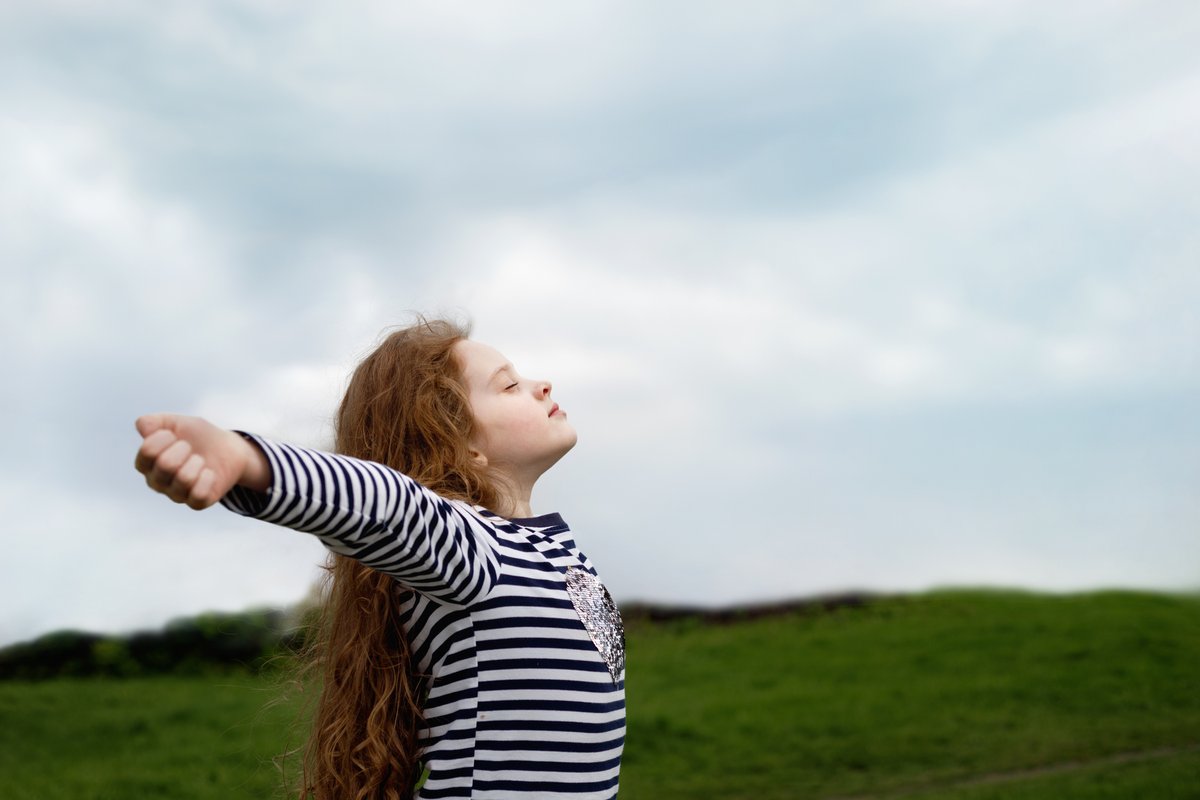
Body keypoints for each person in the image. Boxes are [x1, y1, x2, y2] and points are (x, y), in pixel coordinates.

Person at [134, 318, 625, 800]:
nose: (542, 386)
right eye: (510, 386)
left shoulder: (555, 549)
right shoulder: (474, 548)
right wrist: (246, 460)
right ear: (461, 444)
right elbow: (386, 502)